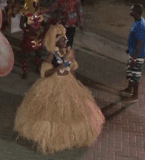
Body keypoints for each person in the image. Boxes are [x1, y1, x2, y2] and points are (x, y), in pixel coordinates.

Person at [14, 24, 104, 154]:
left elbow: (72, 69)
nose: (66, 40)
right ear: (56, 42)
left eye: (66, 38)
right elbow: (45, 73)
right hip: (54, 83)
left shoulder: (68, 53)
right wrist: (58, 67)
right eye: (63, 39)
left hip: (68, 83)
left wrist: (76, 82)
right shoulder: (52, 55)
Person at [120, 4, 145, 104]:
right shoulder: (138, 21)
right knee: (130, 72)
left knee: (135, 75)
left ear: (136, 12)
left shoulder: (140, 25)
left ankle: (135, 95)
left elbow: (140, 42)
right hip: (133, 52)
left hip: (138, 55)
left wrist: (134, 58)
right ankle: (129, 89)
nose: (130, 10)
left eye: (131, 10)